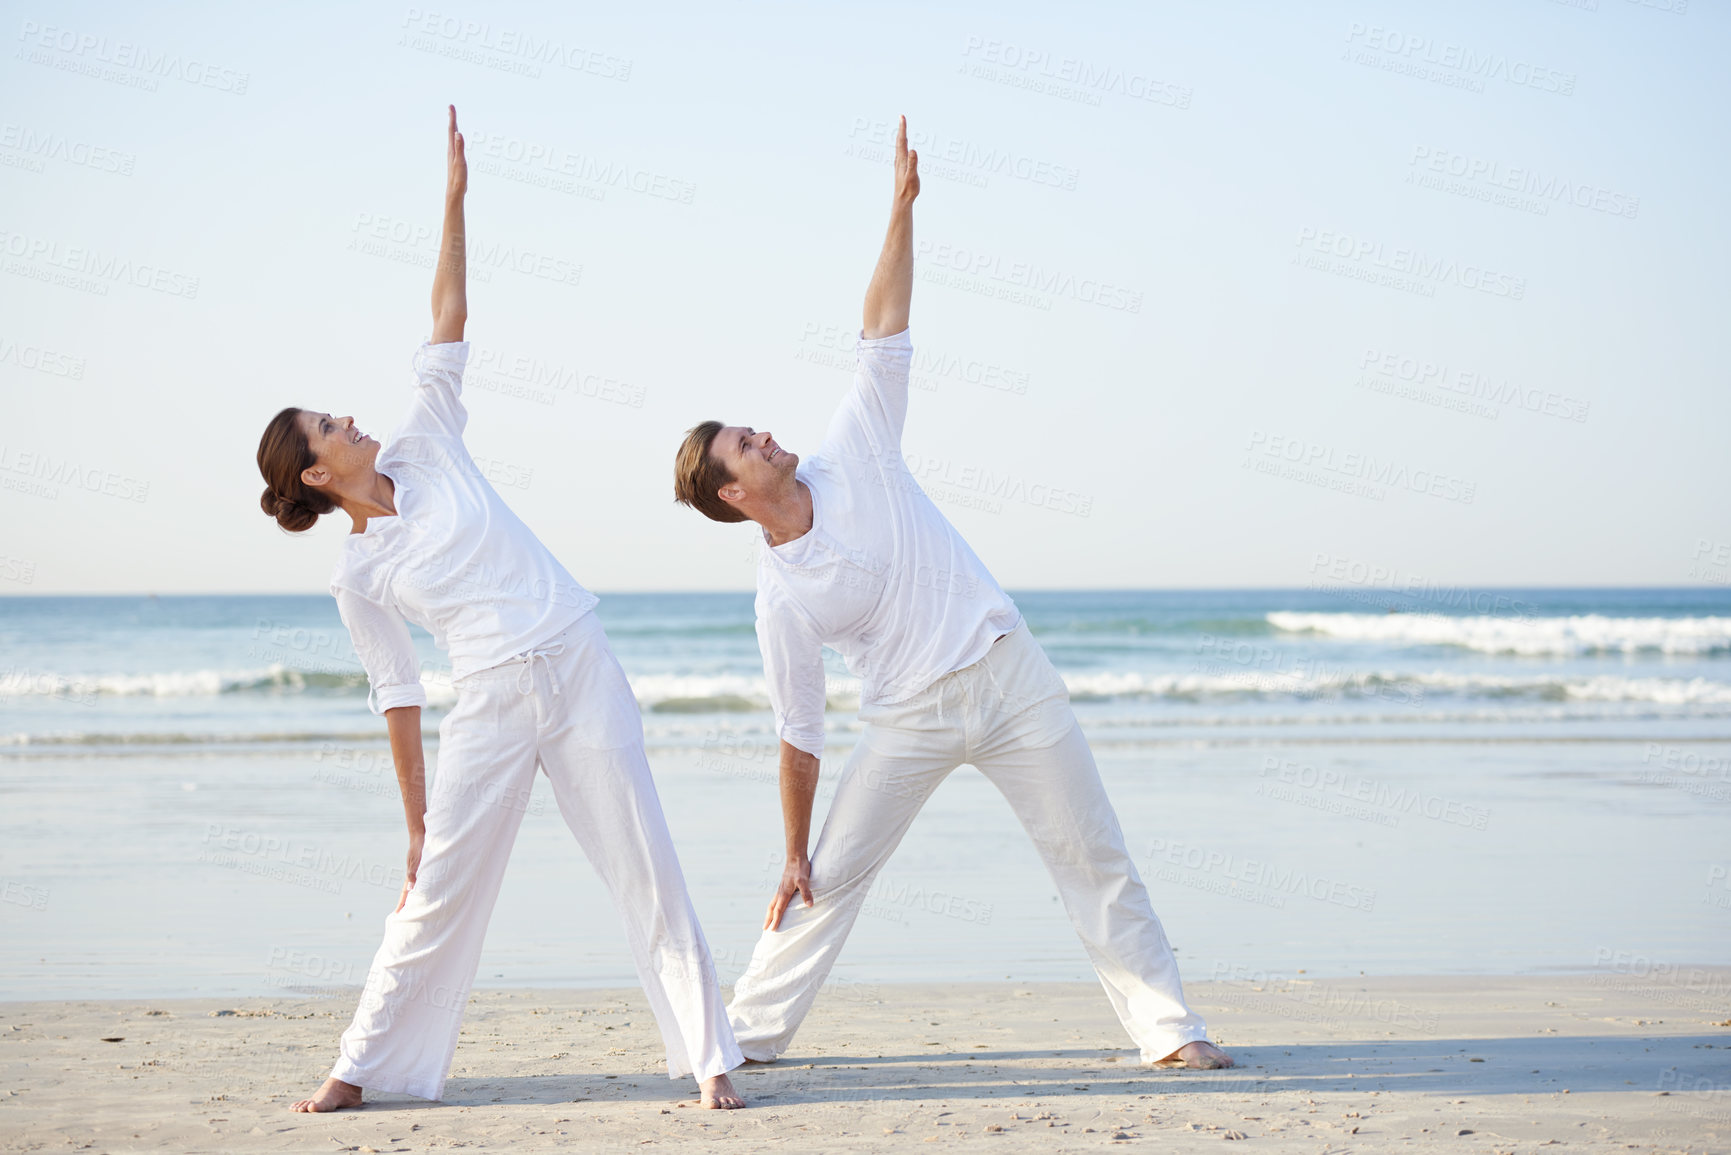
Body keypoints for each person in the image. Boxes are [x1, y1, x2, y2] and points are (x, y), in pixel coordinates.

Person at [671, 116, 1232, 1072]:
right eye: (744, 447)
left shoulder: (857, 451)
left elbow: (880, 334)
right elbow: (798, 731)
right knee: (831, 877)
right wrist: (793, 847)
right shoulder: (781, 600)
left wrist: (899, 209)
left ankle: (1169, 1032)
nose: (764, 436)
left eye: (754, 430)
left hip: (1009, 675)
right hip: (908, 720)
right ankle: (747, 1037)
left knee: (1093, 858)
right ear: (733, 496)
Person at [255, 106, 744, 1112]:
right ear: (316, 469)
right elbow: (396, 693)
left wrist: (453, 200)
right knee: (435, 891)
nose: (353, 418)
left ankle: (710, 1059)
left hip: (575, 659)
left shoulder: (428, 438)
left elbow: (447, 316)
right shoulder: (357, 574)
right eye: (331, 424)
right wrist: (415, 818)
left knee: (643, 864)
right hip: (488, 700)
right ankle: (359, 1068)